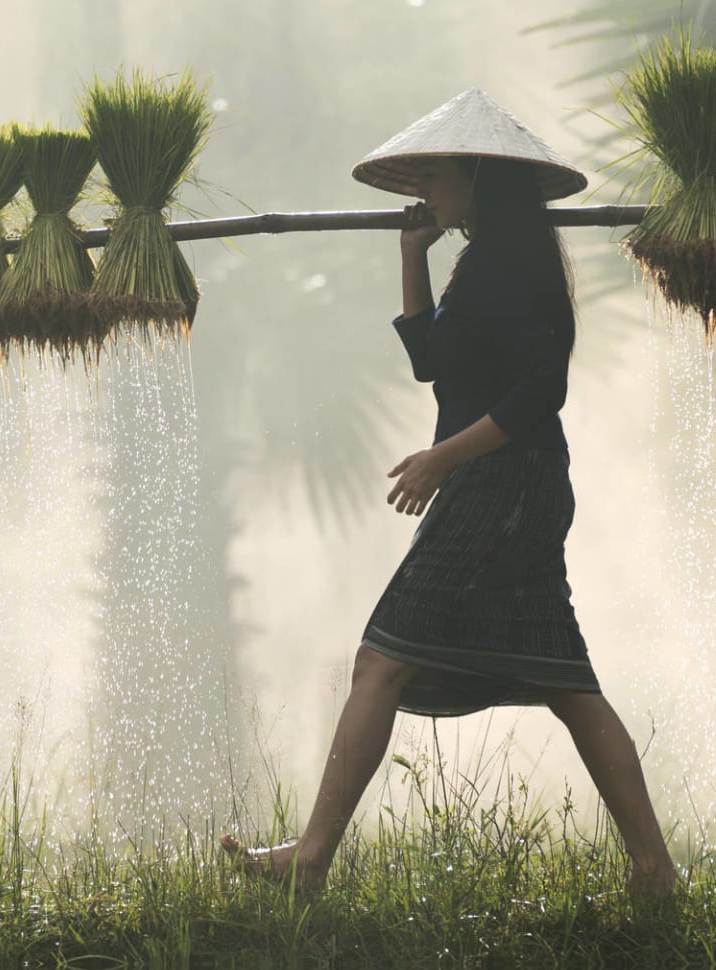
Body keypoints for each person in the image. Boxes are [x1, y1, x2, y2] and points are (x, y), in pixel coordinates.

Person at [222, 90, 677, 895]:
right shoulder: (485, 261)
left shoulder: (512, 266)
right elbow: (434, 362)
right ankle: (655, 869)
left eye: (435, 178)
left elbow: (543, 393)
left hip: (504, 484)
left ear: (475, 179)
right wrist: (412, 256)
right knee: (565, 680)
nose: (425, 192)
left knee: (383, 659)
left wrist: (443, 461)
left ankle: (312, 857)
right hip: (507, 482)